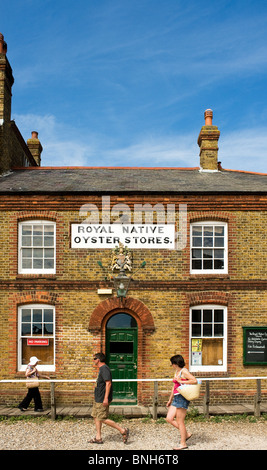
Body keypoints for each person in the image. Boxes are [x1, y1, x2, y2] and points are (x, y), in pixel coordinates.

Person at [89, 352, 129, 444]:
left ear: (98, 360)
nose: (93, 361)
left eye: (94, 359)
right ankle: (98, 437)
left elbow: (108, 383)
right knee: (95, 416)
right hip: (98, 398)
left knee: (102, 418)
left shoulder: (104, 369)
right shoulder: (101, 369)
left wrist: (106, 398)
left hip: (102, 398)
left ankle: (123, 430)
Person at [166, 354, 197, 450]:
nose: (172, 366)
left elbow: (194, 380)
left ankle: (183, 443)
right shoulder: (177, 371)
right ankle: (186, 434)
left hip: (182, 397)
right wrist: (170, 399)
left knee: (180, 421)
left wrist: (182, 381)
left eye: (172, 364)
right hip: (176, 397)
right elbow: (174, 387)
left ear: (175, 364)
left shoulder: (184, 371)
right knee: (169, 418)